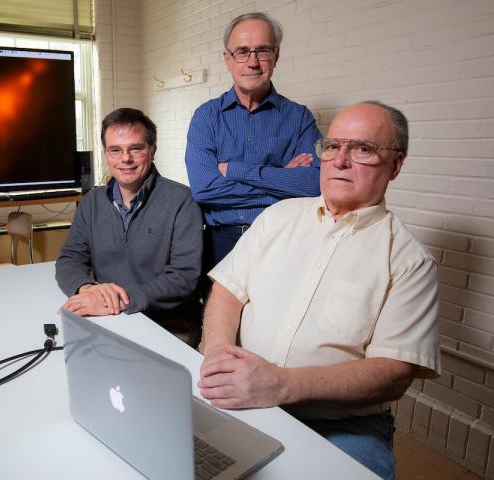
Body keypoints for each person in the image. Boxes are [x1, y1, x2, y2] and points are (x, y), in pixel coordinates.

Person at [197, 101, 440, 479]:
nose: (340, 160)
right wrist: (215, 355)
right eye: (332, 146)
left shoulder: (409, 261)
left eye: (362, 149)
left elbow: (394, 373)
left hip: (339, 424)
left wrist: (280, 385)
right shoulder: (277, 217)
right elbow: (228, 292)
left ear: (395, 165)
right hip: (242, 395)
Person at [185, 12, 322, 277]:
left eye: (262, 50)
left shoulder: (299, 118)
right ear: (227, 59)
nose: (252, 62)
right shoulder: (206, 117)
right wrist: (282, 179)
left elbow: (314, 184)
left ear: (276, 56)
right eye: (242, 52)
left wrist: (235, 170)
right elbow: (204, 189)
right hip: (220, 243)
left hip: (283, 241)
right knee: (218, 307)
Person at [56, 108, 203, 341]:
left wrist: (117, 299)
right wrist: (87, 289)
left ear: (152, 150)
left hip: (168, 327)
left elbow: (184, 277)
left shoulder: (183, 201)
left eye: (135, 148)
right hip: (109, 319)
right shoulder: (91, 202)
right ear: (106, 154)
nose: (125, 159)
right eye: (115, 150)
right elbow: (70, 258)